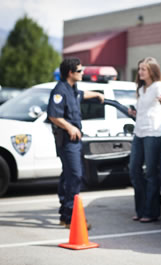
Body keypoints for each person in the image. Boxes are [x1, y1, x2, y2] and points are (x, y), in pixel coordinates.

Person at [47, 57, 104, 229]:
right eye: (79, 71)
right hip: (67, 140)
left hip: (75, 141)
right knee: (75, 175)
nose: (82, 73)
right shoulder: (59, 90)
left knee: (68, 175)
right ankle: (72, 217)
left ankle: (65, 215)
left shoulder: (72, 89)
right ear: (70, 73)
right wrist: (70, 127)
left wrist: (97, 94)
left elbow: (81, 96)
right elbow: (53, 115)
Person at [129, 57, 161, 223]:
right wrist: (134, 113)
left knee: (151, 173)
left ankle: (151, 212)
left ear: (152, 71)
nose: (140, 72)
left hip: (153, 133)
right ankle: (140, 209)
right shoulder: (142, 89)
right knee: (134, 170)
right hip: (139, 133)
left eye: (143, 69)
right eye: (139, 69)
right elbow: (141, 110)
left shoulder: (158, 86)